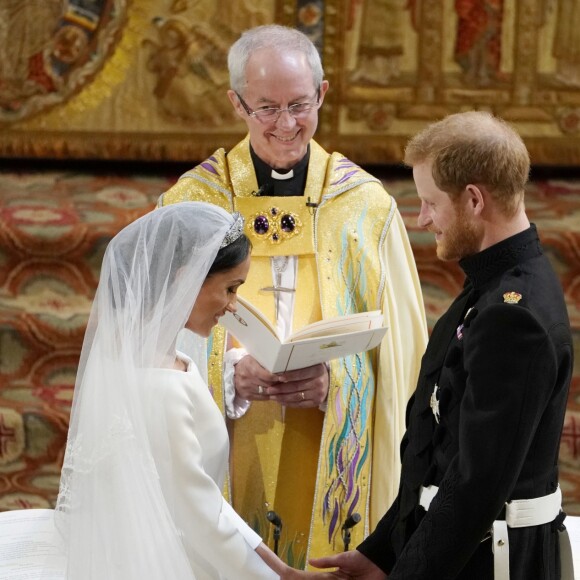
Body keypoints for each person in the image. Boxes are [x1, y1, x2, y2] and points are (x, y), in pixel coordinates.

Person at [157, 23, 428, 563]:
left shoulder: (366, 210)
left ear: (323, 94)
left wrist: (337, 381)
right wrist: (229, 375)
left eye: (300, 105)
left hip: (327, 449)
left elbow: (403, 362)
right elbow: (151, 343)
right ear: (237, 103)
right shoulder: (192, 206)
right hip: (230, 443)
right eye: (267, 108)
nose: (287, 125)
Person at [309, 111, 574, 579]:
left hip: (493, 561)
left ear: (474, 199)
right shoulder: (491, 284)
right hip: (467, 550)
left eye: (431, 202)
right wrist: (382, 553)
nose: (423, 218)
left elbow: (475, 488)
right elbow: (437, 455)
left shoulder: (512, 316)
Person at [53, 202, 325, 579]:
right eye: (230, 289)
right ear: (186, 278)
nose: (233, 306)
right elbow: (200, 520)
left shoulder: (164, 358)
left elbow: (206, 500)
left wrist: (280, 567)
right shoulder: (160, 386)